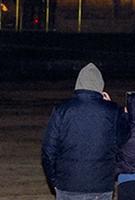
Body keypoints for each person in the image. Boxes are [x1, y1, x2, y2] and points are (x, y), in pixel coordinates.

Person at [42, 63, 122, 200]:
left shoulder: (62, 110)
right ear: (100, 85)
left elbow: (48, 150)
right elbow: (123, 139)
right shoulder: (112, 111)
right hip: (100, 184)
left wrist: (54, 180)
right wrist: (112, 106)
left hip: (68, 184)